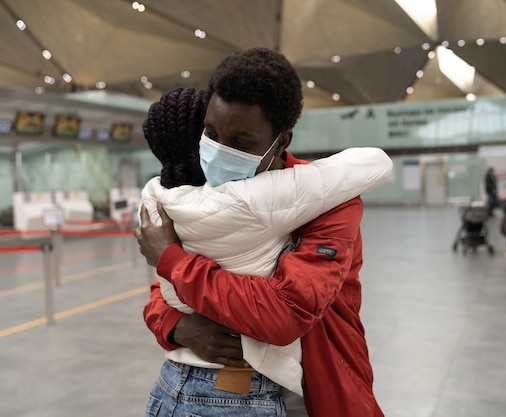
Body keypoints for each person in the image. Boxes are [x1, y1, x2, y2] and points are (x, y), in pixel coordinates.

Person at [135, 47, 386, 417]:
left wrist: (172, 260)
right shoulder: (202, 186)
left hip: (306, 384)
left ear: (280, 141)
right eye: (210, 132)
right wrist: (177, 327)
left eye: (240, 142)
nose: (217, 152)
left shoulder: (329, 201)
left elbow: (284, 313)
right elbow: (163, 291)